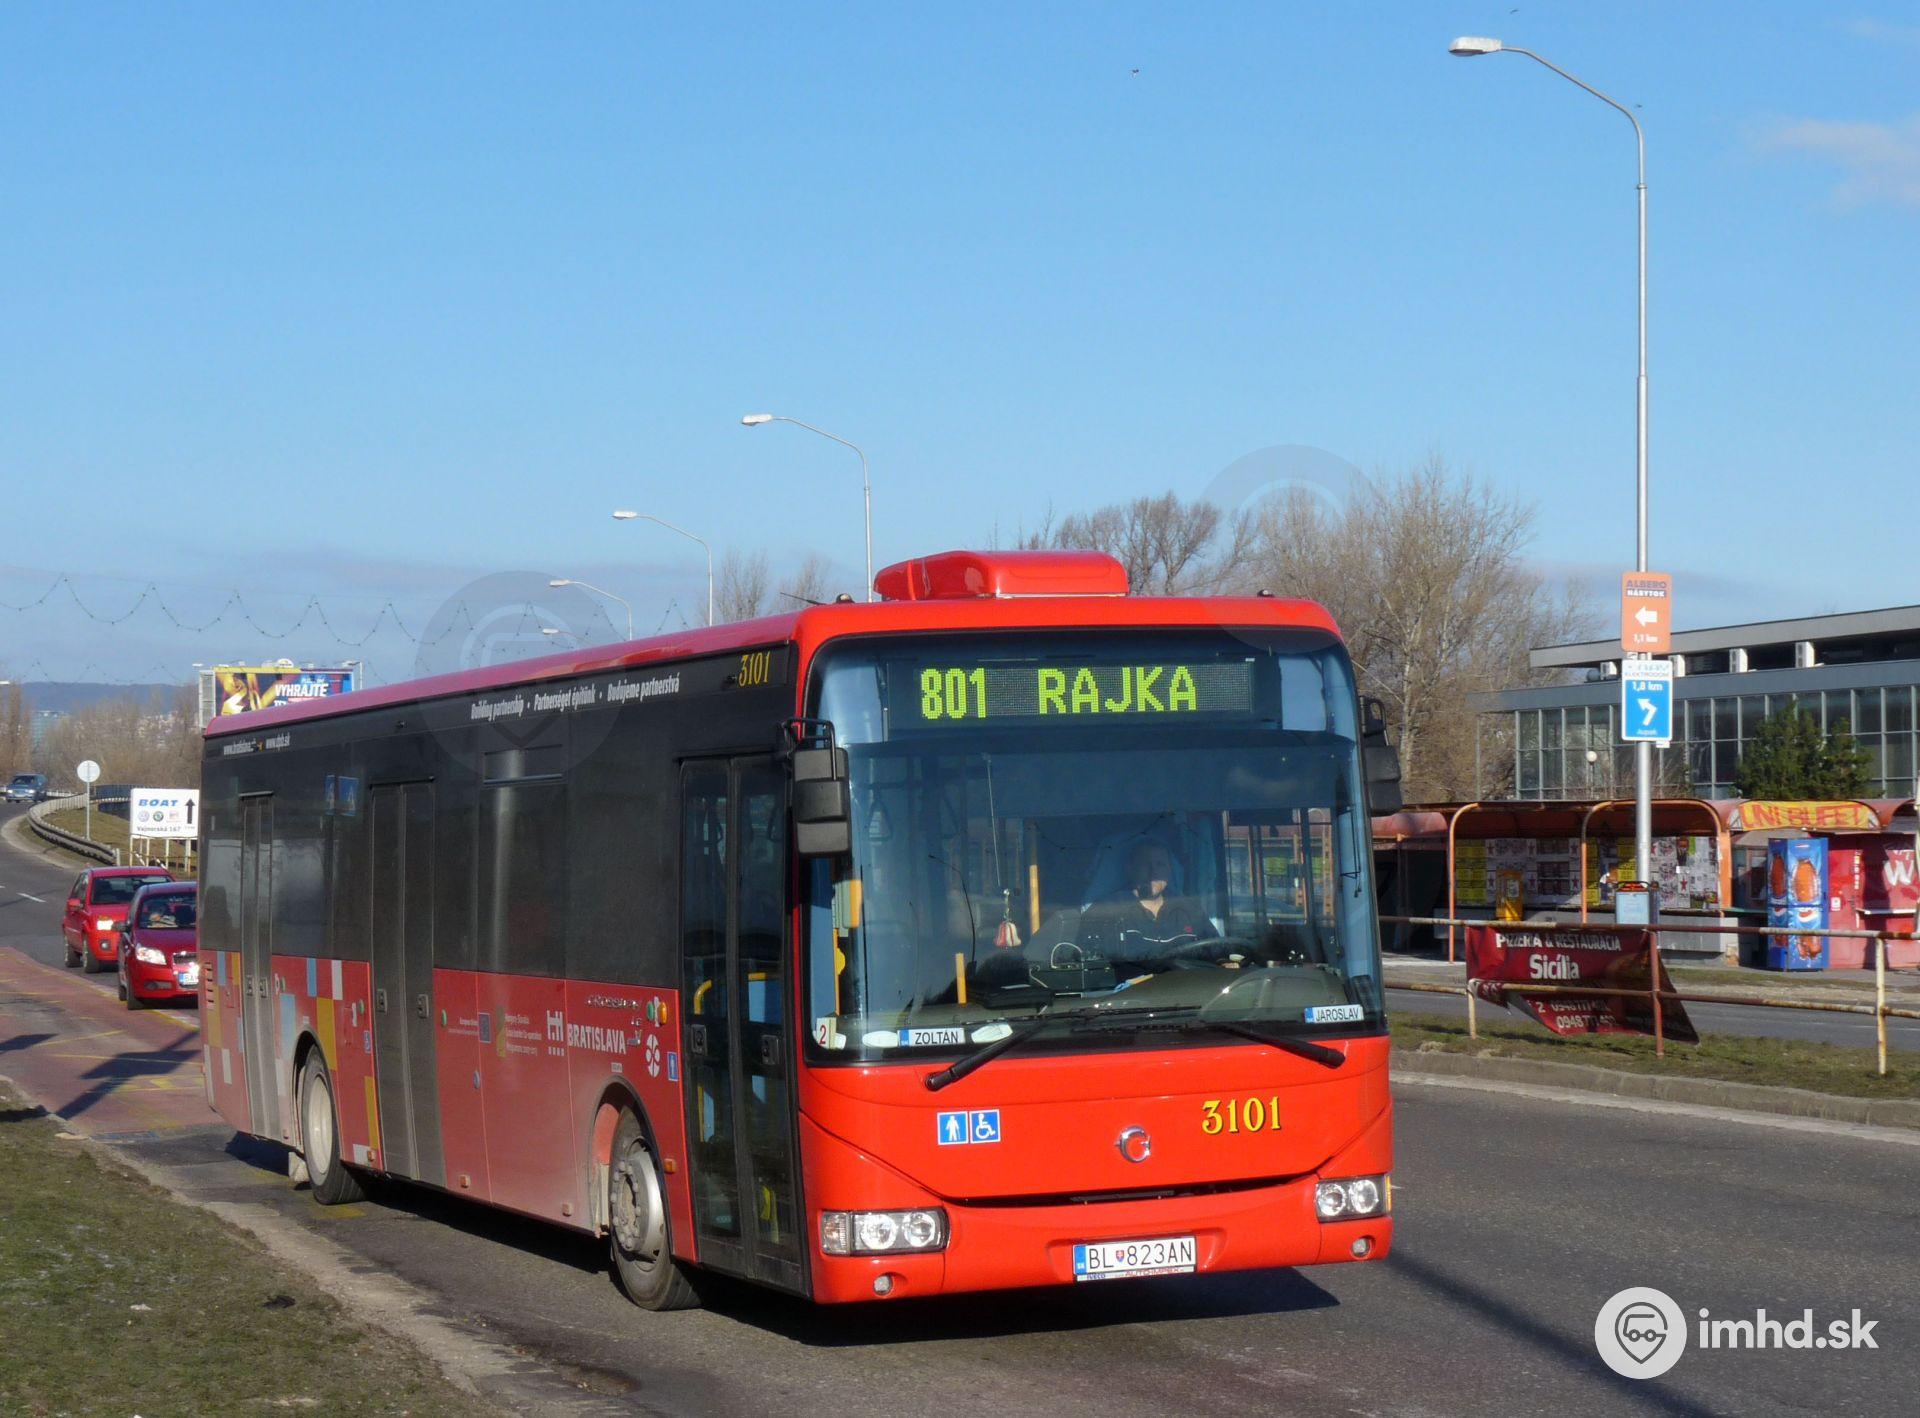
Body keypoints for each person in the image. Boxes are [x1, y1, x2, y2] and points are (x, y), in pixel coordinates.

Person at [1078, 838, 1212, 973]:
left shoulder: (1190, 909)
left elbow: (1216, 950)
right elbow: (1090, 965)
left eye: (1160, 864)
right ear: (1130, 869)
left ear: (1170, 870)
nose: (1153, 872)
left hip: (1187, 983)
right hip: (1131, 986)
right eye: (1145, 865)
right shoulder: (1105, 909)